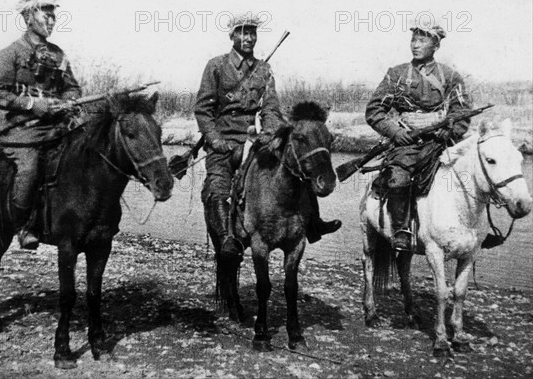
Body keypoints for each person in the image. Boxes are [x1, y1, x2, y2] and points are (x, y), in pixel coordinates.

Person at [195, 13, 341, 262]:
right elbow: (203, 110)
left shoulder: (263, 70)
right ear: (232, 36)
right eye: (242, 32)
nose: (248, 38)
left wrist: (269, 133)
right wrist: (216, 140)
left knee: (297, 166)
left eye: (252, 33)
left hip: (257, 139)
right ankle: (227, 239)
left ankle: (313, 223)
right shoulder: (216, 66)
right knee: (218, 188)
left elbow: (271, 108)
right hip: (225, 141)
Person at [0, 0, 82, 249]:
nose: (52, 21)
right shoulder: (10, 54)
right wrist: (32, 104)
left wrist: (69, 100)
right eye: (46, 15)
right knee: (29, 169)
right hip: (23, 130)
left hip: (56, 127)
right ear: (29, 17)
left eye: (54, 16)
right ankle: (22, 225)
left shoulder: (58, 54)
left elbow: (73, 88)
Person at [365, 24, 472, 251]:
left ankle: (477, 229)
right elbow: (374, 111)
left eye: (422, 41)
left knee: (474, 172)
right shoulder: (397, 74)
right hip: (407, 143)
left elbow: (461, 112)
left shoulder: (451, 76)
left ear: (436, 45)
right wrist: (396, 132)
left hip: (440, 142)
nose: (415, 45)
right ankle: (401, 230)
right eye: (413, 40)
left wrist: (449, 129)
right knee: (399, 176)